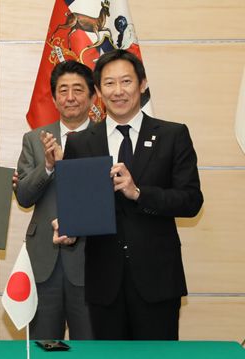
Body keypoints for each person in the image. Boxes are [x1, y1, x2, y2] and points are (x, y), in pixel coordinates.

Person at [46, 49, 203, 340]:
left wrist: (139, 193)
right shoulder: (80, 143)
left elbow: (191, 200)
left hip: (157, 280)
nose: (118, 91)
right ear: (98, 90)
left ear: (142, 84)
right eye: (109, 83)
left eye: (126, 82)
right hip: (104, 283)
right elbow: (81, 208)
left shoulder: (173, 135)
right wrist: (70, 230)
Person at [14, 60, 95, 340]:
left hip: (91, 258)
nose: (70, 97)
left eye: (77, 89)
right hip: (44, 259)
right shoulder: (35, 139)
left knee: (90, 345)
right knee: (44, 343)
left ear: (92, 95)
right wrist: (47, 167)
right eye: (63, 90)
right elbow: (23, 196)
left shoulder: (106, 138)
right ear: (54, 97)